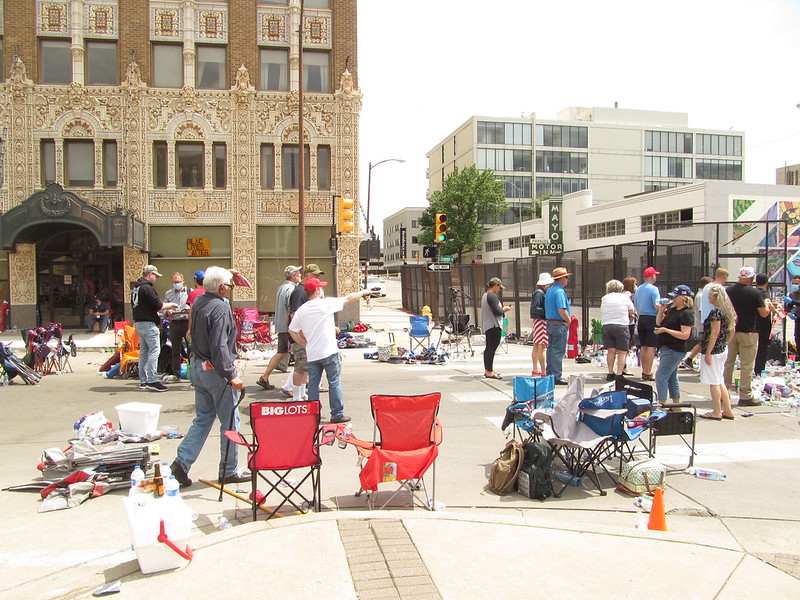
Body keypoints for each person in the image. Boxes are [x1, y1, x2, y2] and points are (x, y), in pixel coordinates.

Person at [171, 266, 249, 488]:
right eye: (229, 286)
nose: (231, 290)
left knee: (203, 418)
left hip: (197, 365)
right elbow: (219, 344)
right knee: (230, 420)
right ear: (222, 288)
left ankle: (181, 463)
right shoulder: (219, 307)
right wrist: (230, 373)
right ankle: (229, 469)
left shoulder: (200, 302)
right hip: (214, 369)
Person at [288, 278, 370, 423]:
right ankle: (337, 414)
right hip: (329, 352)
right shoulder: (325, 304)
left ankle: (313, 414)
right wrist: (364, 292)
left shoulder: (302, 310)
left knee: (313, 384)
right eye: (321, 288)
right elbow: (349, 298)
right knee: (334, 382)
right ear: (318, 291)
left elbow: (292, 330)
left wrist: (305, 344)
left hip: (313, 354)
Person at [724, 266, 769, 407]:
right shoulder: (755, 293)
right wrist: (767, 305)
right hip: (748, 331)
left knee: (728, 363)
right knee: (747, 365)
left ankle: (723, 392)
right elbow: (764, 313)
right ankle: (745, 395)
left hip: (731, 330)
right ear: (751, 278)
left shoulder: (728, 291)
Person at [131, 265, 177, 392]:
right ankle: (152, 380)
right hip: (148, 325)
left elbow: (145, 307)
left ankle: (143, 380)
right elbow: (159, 305)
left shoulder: (136, 288)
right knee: (154, 352)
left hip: (139, 323)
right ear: (150, 274)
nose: (156, 278)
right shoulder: (147, 288)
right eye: (155, 276)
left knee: (144, 353)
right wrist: (171, 305)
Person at [256, 265, 301, 390]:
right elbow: (291, 308)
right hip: (288, 326)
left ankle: (265, 377)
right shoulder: (291, 289)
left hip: (282, 325)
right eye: (298, 273)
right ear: (293, 275)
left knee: (283, 351)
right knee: (291, 351)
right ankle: (266, 377)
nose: (300, 275)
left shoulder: (282, 287)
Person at [698, 283, 737, 421]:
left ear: (715, 296)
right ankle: (728, 409)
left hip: (714, 349)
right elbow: (732, 329)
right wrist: (726, 342)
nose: (708, 297)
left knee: (713, 381)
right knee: (719, 379)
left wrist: (708, 352)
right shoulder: (728, 311)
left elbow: (714, 333)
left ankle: (716, 410)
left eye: (710, 294)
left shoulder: (716, 312)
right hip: (722, 348)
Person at [654, 285, 694, 407]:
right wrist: (662, 309)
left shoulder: (686, 313)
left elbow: (685, 335)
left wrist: (666, 331)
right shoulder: (672, 310)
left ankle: (662, 404)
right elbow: (659, 322)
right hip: (666, 347)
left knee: (661, 376)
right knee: (671, 377)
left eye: (676, 297)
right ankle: (676, 405)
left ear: (683, 298)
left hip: (675, 349)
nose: (673, 299)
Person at [685, 269, 727, 368]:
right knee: (707, 341)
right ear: (724, 277)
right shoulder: (718, 289)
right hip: (713, 320)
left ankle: (691, 359)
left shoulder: (707, 288)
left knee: (704, 341)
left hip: (706, 320)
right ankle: (697, 359)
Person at [600, 279, 635, 381]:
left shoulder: (605, 298)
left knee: (611, 351)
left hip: (607, 325)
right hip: (621, 325)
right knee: (622, 351)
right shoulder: (624, 298)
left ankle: (610, 372)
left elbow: (603, 309)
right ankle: (619, 374)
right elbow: (631, 311)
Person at [544, 267, 572, 385]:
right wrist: (568, 320)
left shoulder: (550, 290)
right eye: (566, 277)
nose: (567, 279)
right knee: (558, 351)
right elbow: (561, 309)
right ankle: (556, 376)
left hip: (550, 323)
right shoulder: (559, 291)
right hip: (558, 323)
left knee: (551, 349)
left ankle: (550, 373)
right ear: (561, 278)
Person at [481, 277, 512, 380]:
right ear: (496, 285)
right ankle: (489, 371)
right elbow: (497, 311)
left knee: (489, 348)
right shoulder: (492, 296)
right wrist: (505, 309)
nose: (500, 290)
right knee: (491, 348)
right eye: (499, 287)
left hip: (488, 325)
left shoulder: (486, 295)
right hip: (494, 325)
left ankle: (488, 370)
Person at [634, 266, 660, 381]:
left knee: (643, 346)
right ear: (652, 276)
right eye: (655, 275)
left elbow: (636, 306)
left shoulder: (638, 289)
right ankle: (648, 372)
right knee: (651, 347)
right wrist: (663, 309)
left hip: (641, 318)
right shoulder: (654, 289)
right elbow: (656, 305)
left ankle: (644, 370)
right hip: (652, 318)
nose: (655, 277)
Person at [162, 272, 190, 383]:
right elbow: (162, 309)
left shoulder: (190, 292)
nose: (177, 284)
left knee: (191, 348)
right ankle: (176, 374)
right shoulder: (168, 294)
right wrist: (167, 312)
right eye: (174, 282)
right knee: (175, 349)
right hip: (174, 323)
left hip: (187, 322)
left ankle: (193, 373)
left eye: (178, 282)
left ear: (183, 281)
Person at [530, 272, 553, 376]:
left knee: (537, 345)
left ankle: (536, 369)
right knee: (542, 346)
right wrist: (547, 311)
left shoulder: (538, 292)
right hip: (541, 321)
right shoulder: (540, 293)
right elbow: (535, 308)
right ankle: (543, 371)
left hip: (537, 320)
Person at [753, 273, 776, 376]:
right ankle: (759, 370)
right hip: (763, 324)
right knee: (762, 348)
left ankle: (754, 369)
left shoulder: (754, 292)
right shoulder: (765, 293)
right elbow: (768, 305)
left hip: (753, 323)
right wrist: (777, 311)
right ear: (767, 282)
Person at [783, 273, 800, 358]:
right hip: (797, 320)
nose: (794, 285)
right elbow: (788, 307)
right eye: (793, 283)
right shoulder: (792, 295)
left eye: (796, 283)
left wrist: (792, 302)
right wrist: (789, 312)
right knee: (797, 339)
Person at [622, 276, 638, 346]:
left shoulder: (627, 293)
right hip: (628, 321)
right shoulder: (627, 293)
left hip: (630, 320)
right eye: (635, 284)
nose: (636, 286)